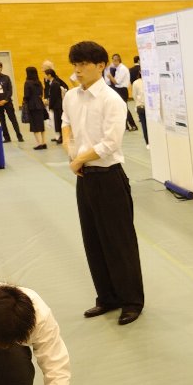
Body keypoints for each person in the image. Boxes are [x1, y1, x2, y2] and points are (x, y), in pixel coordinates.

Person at [62, 41, 145, 326]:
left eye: (83, 64)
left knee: (119, 242)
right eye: (75, 64)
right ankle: (107, 297)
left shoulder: (111, 100)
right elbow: (65, 122)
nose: (78, 70)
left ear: (100, 66)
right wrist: (69, 147)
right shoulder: (71, 96)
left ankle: (131, 301)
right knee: (93, 240)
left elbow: (110, 143)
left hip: (109, 177)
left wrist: (78, 159)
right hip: (84, 177)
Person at [0, 61, 23, 143]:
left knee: (13, 119)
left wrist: (5, 100)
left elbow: (10, 90)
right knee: (2, 120)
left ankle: (19, 136)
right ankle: (7, 137)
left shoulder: (6, 78)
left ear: (1, 68)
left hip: (7, 102)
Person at [104, 53, 137, 131]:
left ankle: (133, 125)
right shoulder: (117, 68)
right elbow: (110, 65)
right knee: (120, 108)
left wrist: (110, 77)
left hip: (122, 90)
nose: (114, 62)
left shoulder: (122, 69)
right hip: (118, 89)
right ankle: (126, 126)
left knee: (124, 108)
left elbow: (116, 82)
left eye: (115, 60)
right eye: (113, 60)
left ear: (119, 60)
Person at [23, 66, 48, 150]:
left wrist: (24, 101)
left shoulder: (27, 83)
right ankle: (44, 142)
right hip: (40, 104)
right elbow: (41, 93)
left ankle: (39, 143)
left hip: (32, 106)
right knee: (41, 124)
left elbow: (27, 95)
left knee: (34, 125)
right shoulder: (39, 82)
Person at [44, 68, 67, 144]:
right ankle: (60, 136)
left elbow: (54, 96)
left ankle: (62, 137)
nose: (45, 76)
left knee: (59, 121)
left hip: (57, 105)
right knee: (57, 121)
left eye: (46, 75)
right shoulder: (52, 83)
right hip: (56, 105)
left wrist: (50, 105)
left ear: (49, 75)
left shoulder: (55, 83)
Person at [131, 72, 147, 147]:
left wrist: (138, 101)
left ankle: (147, 143)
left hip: (140, 106)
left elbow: (134, 95)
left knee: (144, 125)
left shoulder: (136, 83)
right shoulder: (151, 80)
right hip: (149, 108)